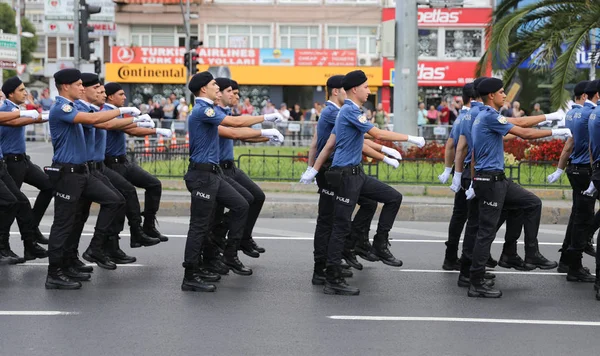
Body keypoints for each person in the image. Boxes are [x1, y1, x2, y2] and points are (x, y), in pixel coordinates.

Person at [300, 70, 425, 296]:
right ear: (354, 89)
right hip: (346, 176)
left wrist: (313, 169)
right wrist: (411, 138)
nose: (369, 91)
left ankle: (378, 243)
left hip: (356, 174)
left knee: (393, 197)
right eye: (366, 87)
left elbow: (329, 144)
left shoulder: (349, 112)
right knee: (339, 225)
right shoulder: (348, 111)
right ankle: (332, 278)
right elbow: (376, 133)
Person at [466, 77, 572, 298]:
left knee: (531, 203)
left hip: (497, 179)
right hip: (490, 181)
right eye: (502, 92)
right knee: (486, 232)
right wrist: (557, 132)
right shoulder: (488, 116)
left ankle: (526, 253)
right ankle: (475, 281)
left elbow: (521, 124)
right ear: (492, 96)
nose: (506, 95)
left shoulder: (489, 116)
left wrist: (549, 118)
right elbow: (524, 133)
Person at [181, 71, 283, 292]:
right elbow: (234, 123)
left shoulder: (208, 110)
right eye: (213, 84)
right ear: (202, 90)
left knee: (242, 203)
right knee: (199, 226)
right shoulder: (202, 110)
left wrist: (263, 130)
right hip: (201, 176)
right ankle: (190, 274)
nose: (216, 86)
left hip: (213, 174)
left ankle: (227, 253)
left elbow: (233, 126)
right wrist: (264, 119)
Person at [45, 68, 141, 289]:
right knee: (63, 223)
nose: (81, 87)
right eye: (78, 84)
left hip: (82, 172)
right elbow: (95, 118)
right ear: (66, 86)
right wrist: (122, 111)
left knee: (115, 200)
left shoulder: (75, 106)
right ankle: (55, 272)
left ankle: (93, 249)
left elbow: (96, 120)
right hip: (67, 174)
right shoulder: (62, 107)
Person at [305, 75, 398, 286]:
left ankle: (348, 249)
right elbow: (333, 143)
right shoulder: (332, 112)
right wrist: (313, 171)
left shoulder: (339, 112)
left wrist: (311, 168)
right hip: (332, 172)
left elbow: (318, 143)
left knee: (368, 203)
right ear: (337, 91)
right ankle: (324, 267)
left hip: (335, 171)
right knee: (329, 222)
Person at [103, 83, 170, 245]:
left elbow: (130, 126)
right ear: (111, 96)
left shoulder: (116, 112)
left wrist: (142, 124)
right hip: (111, 164)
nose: (124, 97)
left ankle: (148, 225)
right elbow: (130, 130)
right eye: (121, 94)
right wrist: (155, 131)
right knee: (124, 198)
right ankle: (127, 236)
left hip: (124, 161)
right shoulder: (105, 112)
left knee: (154, 184)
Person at [548, 80, 597, 275]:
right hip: (587, 170)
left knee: (578, 214)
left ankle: (566, 261)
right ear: (585, 96)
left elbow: (569, 144)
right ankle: (576, 259)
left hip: (574, 168)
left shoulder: (571, 114)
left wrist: (560, 169)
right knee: (583, 218)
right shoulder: (589, 114)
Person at [0, 77, 48, 264]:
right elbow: (16, 122)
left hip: (18, 161)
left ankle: (31, 237)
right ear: (11, 93)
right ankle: (11, 245)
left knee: (23, 199)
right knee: (13, 203)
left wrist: (43, 115)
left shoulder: (12, 110)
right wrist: (33, 115)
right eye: (21, 89)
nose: (26, 92)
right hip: (11, 162)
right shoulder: (7, 111)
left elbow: (22, 119)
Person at [437, 84, 475, 270]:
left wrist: (449, 170)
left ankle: (450, 256)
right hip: (471, 171)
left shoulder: (461, 117)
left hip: (461, 171)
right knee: (475, 217)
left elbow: (450, 145)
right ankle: (472, 259)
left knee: (459, 215)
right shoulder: (475, 116)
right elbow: (460, 147)